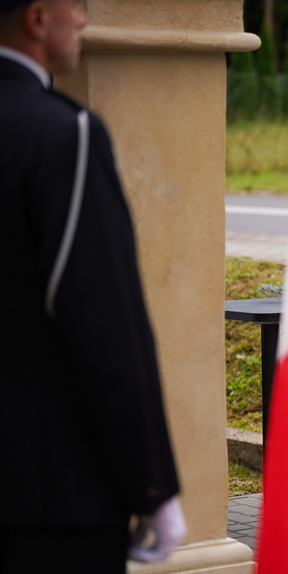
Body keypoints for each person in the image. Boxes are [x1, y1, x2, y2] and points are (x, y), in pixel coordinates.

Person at [0, 0, 186, 571]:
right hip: (48, 492)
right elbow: (107, 326)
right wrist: (152, 486)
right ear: (37, 18)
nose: (82, 20)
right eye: (75, 7)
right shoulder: (63, 132)